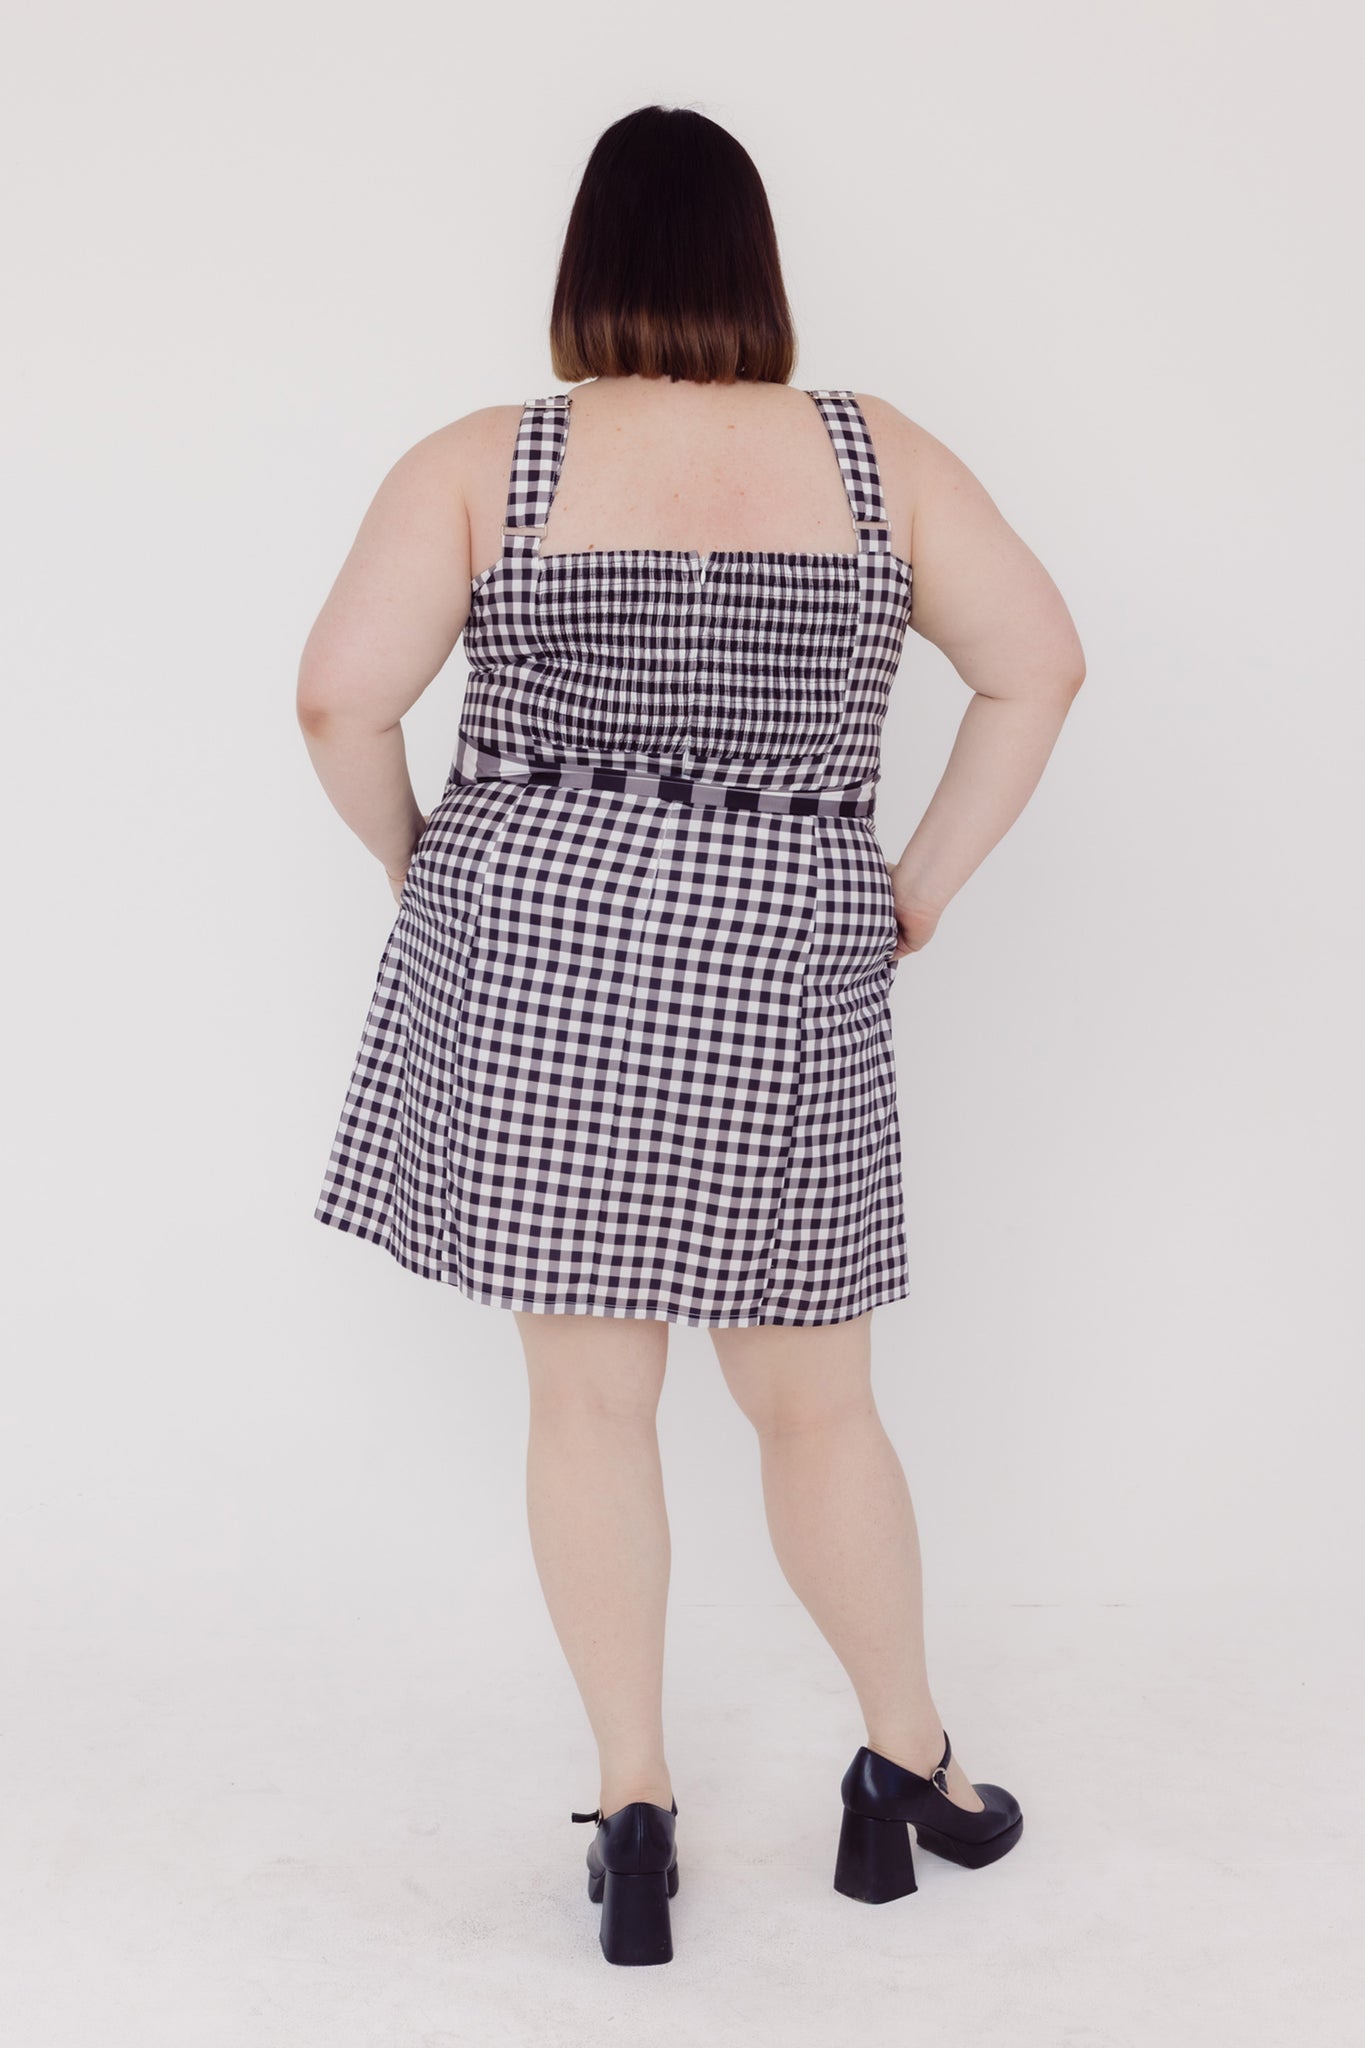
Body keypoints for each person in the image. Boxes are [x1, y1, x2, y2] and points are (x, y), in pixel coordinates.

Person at [297, 104, 1086, 1967]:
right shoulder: (874, 456)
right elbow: (1035, 663)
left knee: (587, 1399)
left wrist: (435, 868)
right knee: (813, 1402)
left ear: (584, 269)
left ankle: (635, 1808)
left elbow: (339, 698)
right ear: (755, 268)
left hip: (537, 940)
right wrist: (916, 884)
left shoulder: (489, 459)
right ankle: (906, 1767)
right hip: (783, 951)